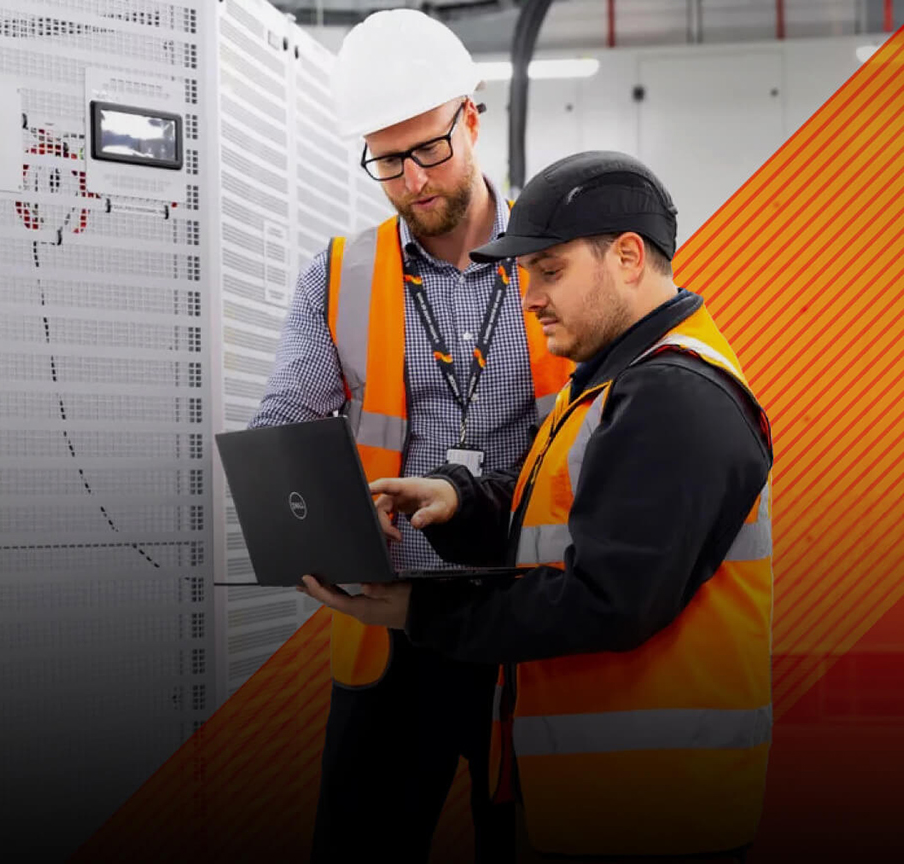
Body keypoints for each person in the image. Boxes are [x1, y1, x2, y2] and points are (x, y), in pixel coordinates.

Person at [298, 150, 776, 864]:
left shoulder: (674, 397)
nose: (530, 297)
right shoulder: (617, 381)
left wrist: (419, 613)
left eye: (550, 272)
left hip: (659, 811)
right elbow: (557, 522)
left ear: (626, 257)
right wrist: (456, 501)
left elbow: (607, 599)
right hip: (611, 798)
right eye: (526, 277)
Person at [246, 8, 574, 864]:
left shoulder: (560, 259)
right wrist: (312, 513)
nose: (413, 181)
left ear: (471, 117)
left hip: (528, 618)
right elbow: (284, 417)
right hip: (392, 626)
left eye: (428, 149)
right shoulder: (341, 272)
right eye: (387, 162)